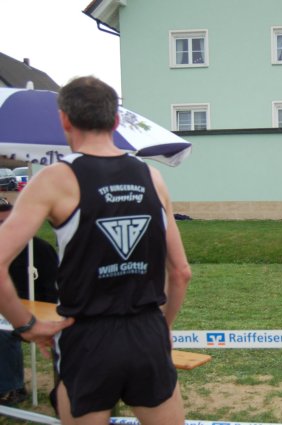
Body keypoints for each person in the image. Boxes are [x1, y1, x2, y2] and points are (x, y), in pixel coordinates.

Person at [0, 76, 191, 424]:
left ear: (64, 120)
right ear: (116, 121)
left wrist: (25, 325)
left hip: (87, 337)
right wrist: (161, 328)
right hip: (147, 330)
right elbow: (180, 273)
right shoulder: (152, 177)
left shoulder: (55, 179)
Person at [0, 202, 59, 406]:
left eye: (8, 222)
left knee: (2, 333)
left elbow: (53, 293)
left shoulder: (39, 250)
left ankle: (11, 389)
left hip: (34, 313)